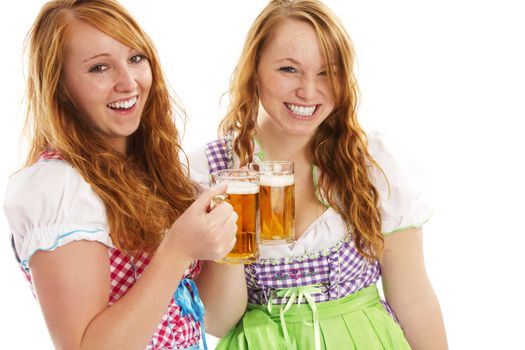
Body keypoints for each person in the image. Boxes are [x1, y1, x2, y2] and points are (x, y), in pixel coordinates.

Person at [188, 0, 448, 349]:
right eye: (288, 70)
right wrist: (237, 225)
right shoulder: (211, 170)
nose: (309, 91)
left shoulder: (374, 163)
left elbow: (414, 300)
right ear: (254, 70)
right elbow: (218, 321)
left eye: (327, 72)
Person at [2, 1, 238, 349]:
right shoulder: (61, 186)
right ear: (60, 87)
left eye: (136, 58)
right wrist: (176, 250)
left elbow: (215, 317)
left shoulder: (149, 170)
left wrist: (233, 233)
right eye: (99, 68)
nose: (128, 83)